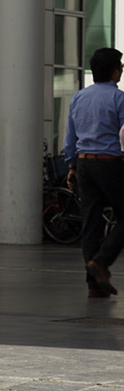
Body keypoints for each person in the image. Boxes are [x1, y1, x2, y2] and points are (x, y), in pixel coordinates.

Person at [64, 46, 124, 299]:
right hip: (109, 163)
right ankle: (101, 261)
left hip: (84, 164)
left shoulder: (79, 97)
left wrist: (71, 166)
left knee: (91, 223)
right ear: (114, 71)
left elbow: (70, 135)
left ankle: (94, 285)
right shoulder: (119, 98)